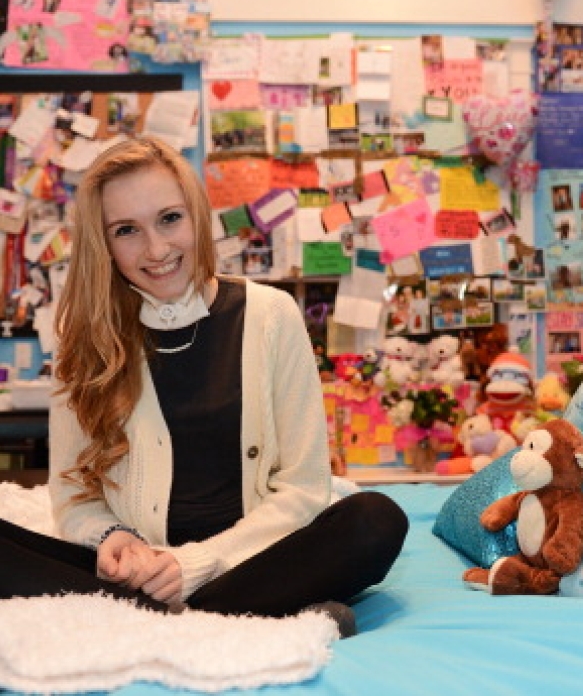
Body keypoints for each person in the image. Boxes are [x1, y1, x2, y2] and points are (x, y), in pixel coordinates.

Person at [0, 137, 408, 636]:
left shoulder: (271, 315)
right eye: (126, 230)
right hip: (136, 576)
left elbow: (303, 489)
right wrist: (112, 536)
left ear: (196, 214)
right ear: (103, 244)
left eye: (170, 218)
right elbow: (72, 495)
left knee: (375, 520)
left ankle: (162, 617)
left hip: (247, 561)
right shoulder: (84, 339)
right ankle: (250, 617)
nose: (157, 249)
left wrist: (193, 566)